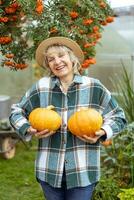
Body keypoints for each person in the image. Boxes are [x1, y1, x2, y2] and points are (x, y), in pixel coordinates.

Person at [9, 36, 126, 200]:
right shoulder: (42, 87)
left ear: (72, 59)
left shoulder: (94, 86)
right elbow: (16, 111)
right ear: (48, 65)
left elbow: (119, 116)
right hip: (49, 170)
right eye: (51, 59)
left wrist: (102, 132)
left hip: (83, 170)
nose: (57, 61)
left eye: (61, 55)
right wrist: (28, 128)